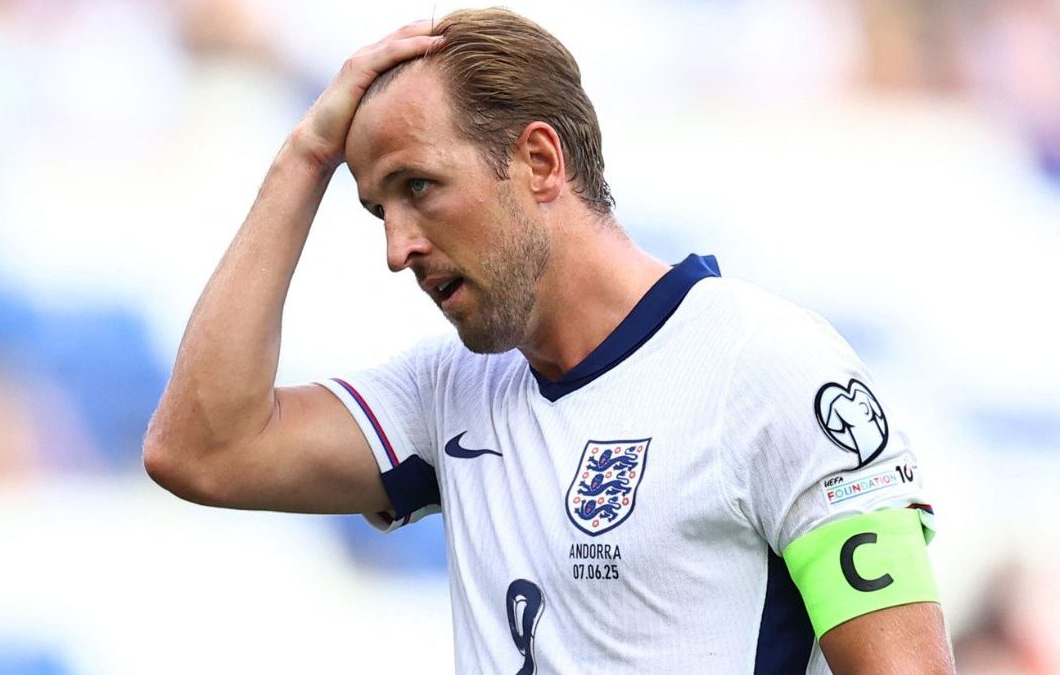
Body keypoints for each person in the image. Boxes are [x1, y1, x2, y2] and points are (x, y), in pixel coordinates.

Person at [144, 8, 954, 673]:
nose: (396, 248)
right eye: (377, 210)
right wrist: (304, 155)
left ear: (538, 159)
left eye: (418, 188)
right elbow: (201, 450)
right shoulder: (450, 394)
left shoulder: (769, 367)